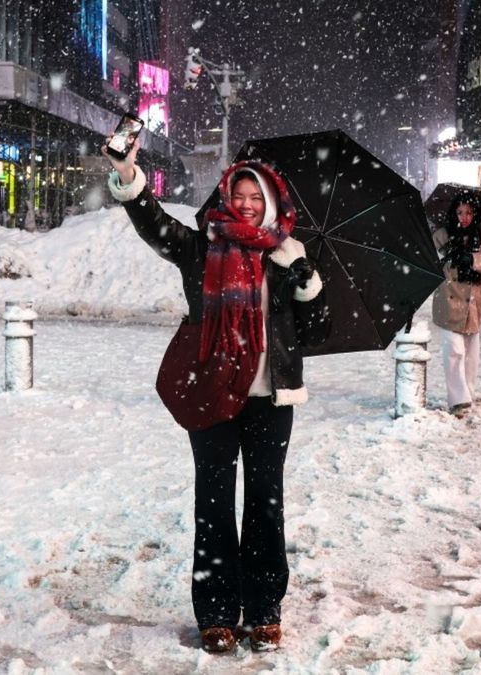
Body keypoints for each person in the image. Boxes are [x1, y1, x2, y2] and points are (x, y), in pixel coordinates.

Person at [104, 138, 329, 654]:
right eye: (240, 194)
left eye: (257, 197)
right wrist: (130, 178)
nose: (248, 204)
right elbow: (155, 227)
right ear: (228, 196)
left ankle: (266, 608)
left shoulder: (288, 256)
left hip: (271, 399)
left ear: (271, 202)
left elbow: (316, 333)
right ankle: (217, 612)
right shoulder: (203, 248)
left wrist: (308, 285)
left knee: (265, 505)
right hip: (212, 394)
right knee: (213, 503)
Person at [431, 192, 481, 419]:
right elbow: (428, 259)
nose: (464, 217)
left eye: (469, 213)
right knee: (454, 350)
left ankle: (468, 394)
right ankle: (458, 400)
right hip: (448, 301)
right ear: (453, 213)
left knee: (472, 354)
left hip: (475, 305)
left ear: (475, 214)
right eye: (460, 212)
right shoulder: (442, 236)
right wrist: (445, 259)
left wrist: (474, 259)